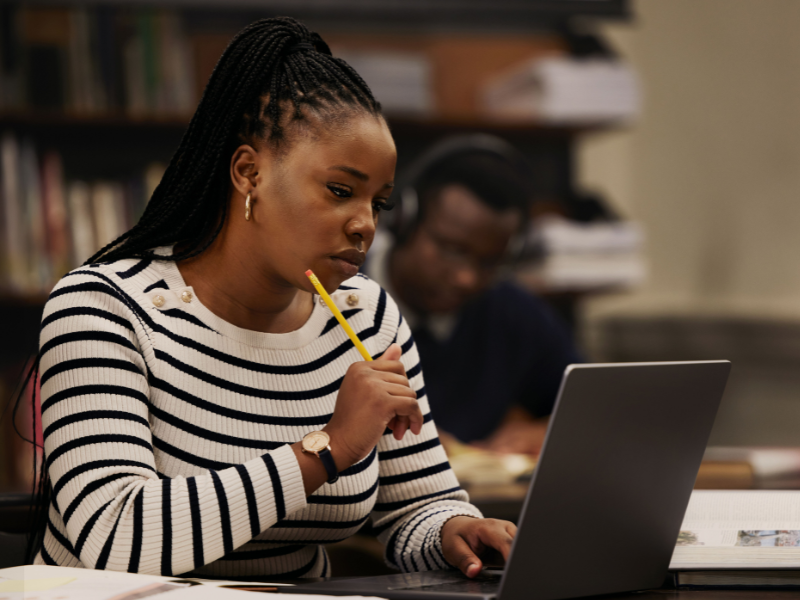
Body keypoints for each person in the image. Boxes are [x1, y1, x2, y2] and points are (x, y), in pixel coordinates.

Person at [32, 18, 515, 580]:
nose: (364, 225)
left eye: (378, 203)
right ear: (248, 173)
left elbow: (415, 507)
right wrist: (327, 449)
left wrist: (456, 529)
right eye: (340, 191)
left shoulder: (367, 317)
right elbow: (116, 539)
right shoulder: (102, 309)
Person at [364, 136, 583, 456]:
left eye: (489, 262)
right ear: (403, 220)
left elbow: (593, 405)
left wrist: (546, 432)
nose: (467, 278)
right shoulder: (337, 295)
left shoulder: (510, 310)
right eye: (452, 250)